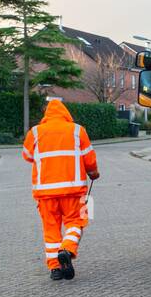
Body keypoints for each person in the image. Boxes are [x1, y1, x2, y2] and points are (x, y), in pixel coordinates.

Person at [21, 99, 99, 280]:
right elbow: (89, 158)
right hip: (74, 190)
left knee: (51, 230)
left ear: (46, 115)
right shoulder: (77, 130)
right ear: (65, 113)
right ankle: (67, 249)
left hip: (45, 193)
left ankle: (55, 269)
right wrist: (93, 172)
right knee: (77, 222)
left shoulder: (35, 132)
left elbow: (27, 155)